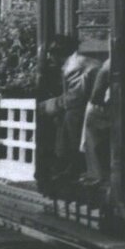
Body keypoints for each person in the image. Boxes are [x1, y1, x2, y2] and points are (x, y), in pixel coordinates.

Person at [35, 37, 90, 197]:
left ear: (60, 54)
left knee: (71, 116)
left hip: (100, 106)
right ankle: (68, 164)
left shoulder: (74, 66)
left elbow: (75, 98)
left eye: (52, 54)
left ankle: (73, 163)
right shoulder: (74, 63)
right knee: (64, 117)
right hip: (91, 104)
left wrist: (48, 106)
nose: (49, 58)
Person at [80, 48, 116, 189]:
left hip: (113, 109)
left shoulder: (110, 62)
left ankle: (97, 174)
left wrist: (97, 101)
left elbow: (97, 94)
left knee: (91, 118)